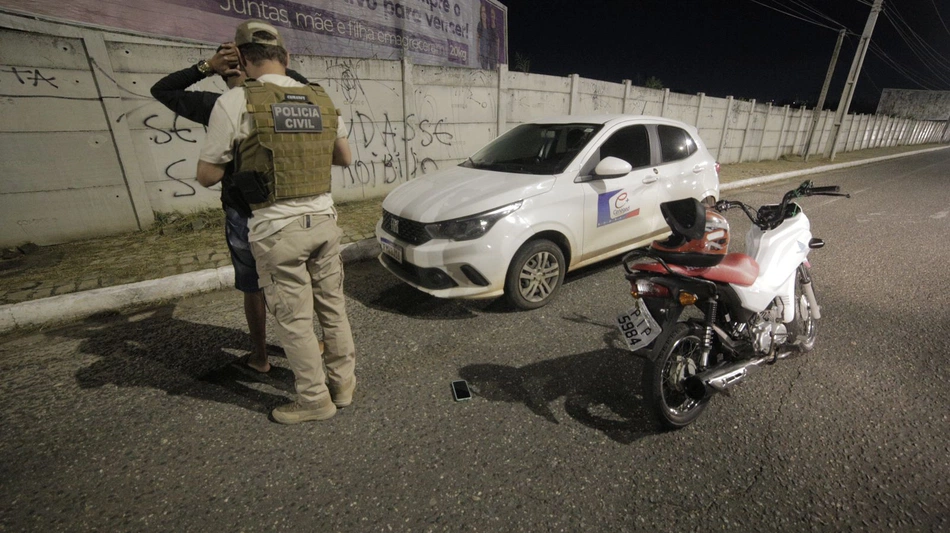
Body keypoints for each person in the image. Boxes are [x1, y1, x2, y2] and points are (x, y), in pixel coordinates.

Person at [196, 20, 357, 425]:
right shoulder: (320, 98)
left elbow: (207, 175)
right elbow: (344, 158)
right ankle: (343, 385)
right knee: (333, 309)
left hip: (277, 228)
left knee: (295, 320)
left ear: (244, 60)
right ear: (286, 58)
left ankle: (314, 401)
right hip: (323, 220)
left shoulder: (236, 101)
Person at [150, 42, 311, 374]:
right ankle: (299, 348)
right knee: (290, 281)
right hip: (279, 210)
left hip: (248, 212)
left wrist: (210, 66)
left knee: (258, 286)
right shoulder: (278, 100)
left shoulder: (216, 105)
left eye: (241, 61)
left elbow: (165, 89)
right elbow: (160, 90)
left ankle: (262, 357)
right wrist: (249, 63)